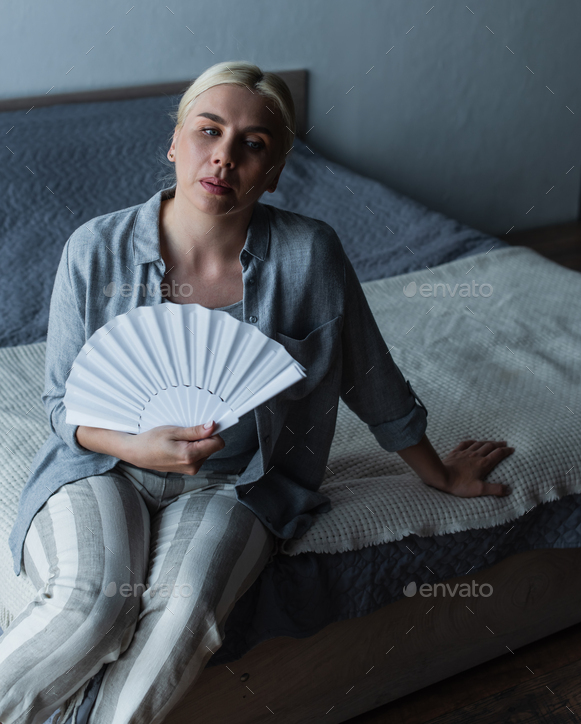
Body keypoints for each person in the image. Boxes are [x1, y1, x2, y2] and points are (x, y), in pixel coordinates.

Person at [0, 61, 514, 724]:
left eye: (253, 144)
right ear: (175, 144)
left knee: (182, 613)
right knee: (92, 606)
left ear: (273, 173)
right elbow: (60, 407)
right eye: (208, 131)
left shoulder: (309, 255)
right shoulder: (93, 250)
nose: (224, 155)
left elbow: (368, 374)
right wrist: (136, 446)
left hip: (238, 482)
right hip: (103, 464)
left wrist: (438, 471)